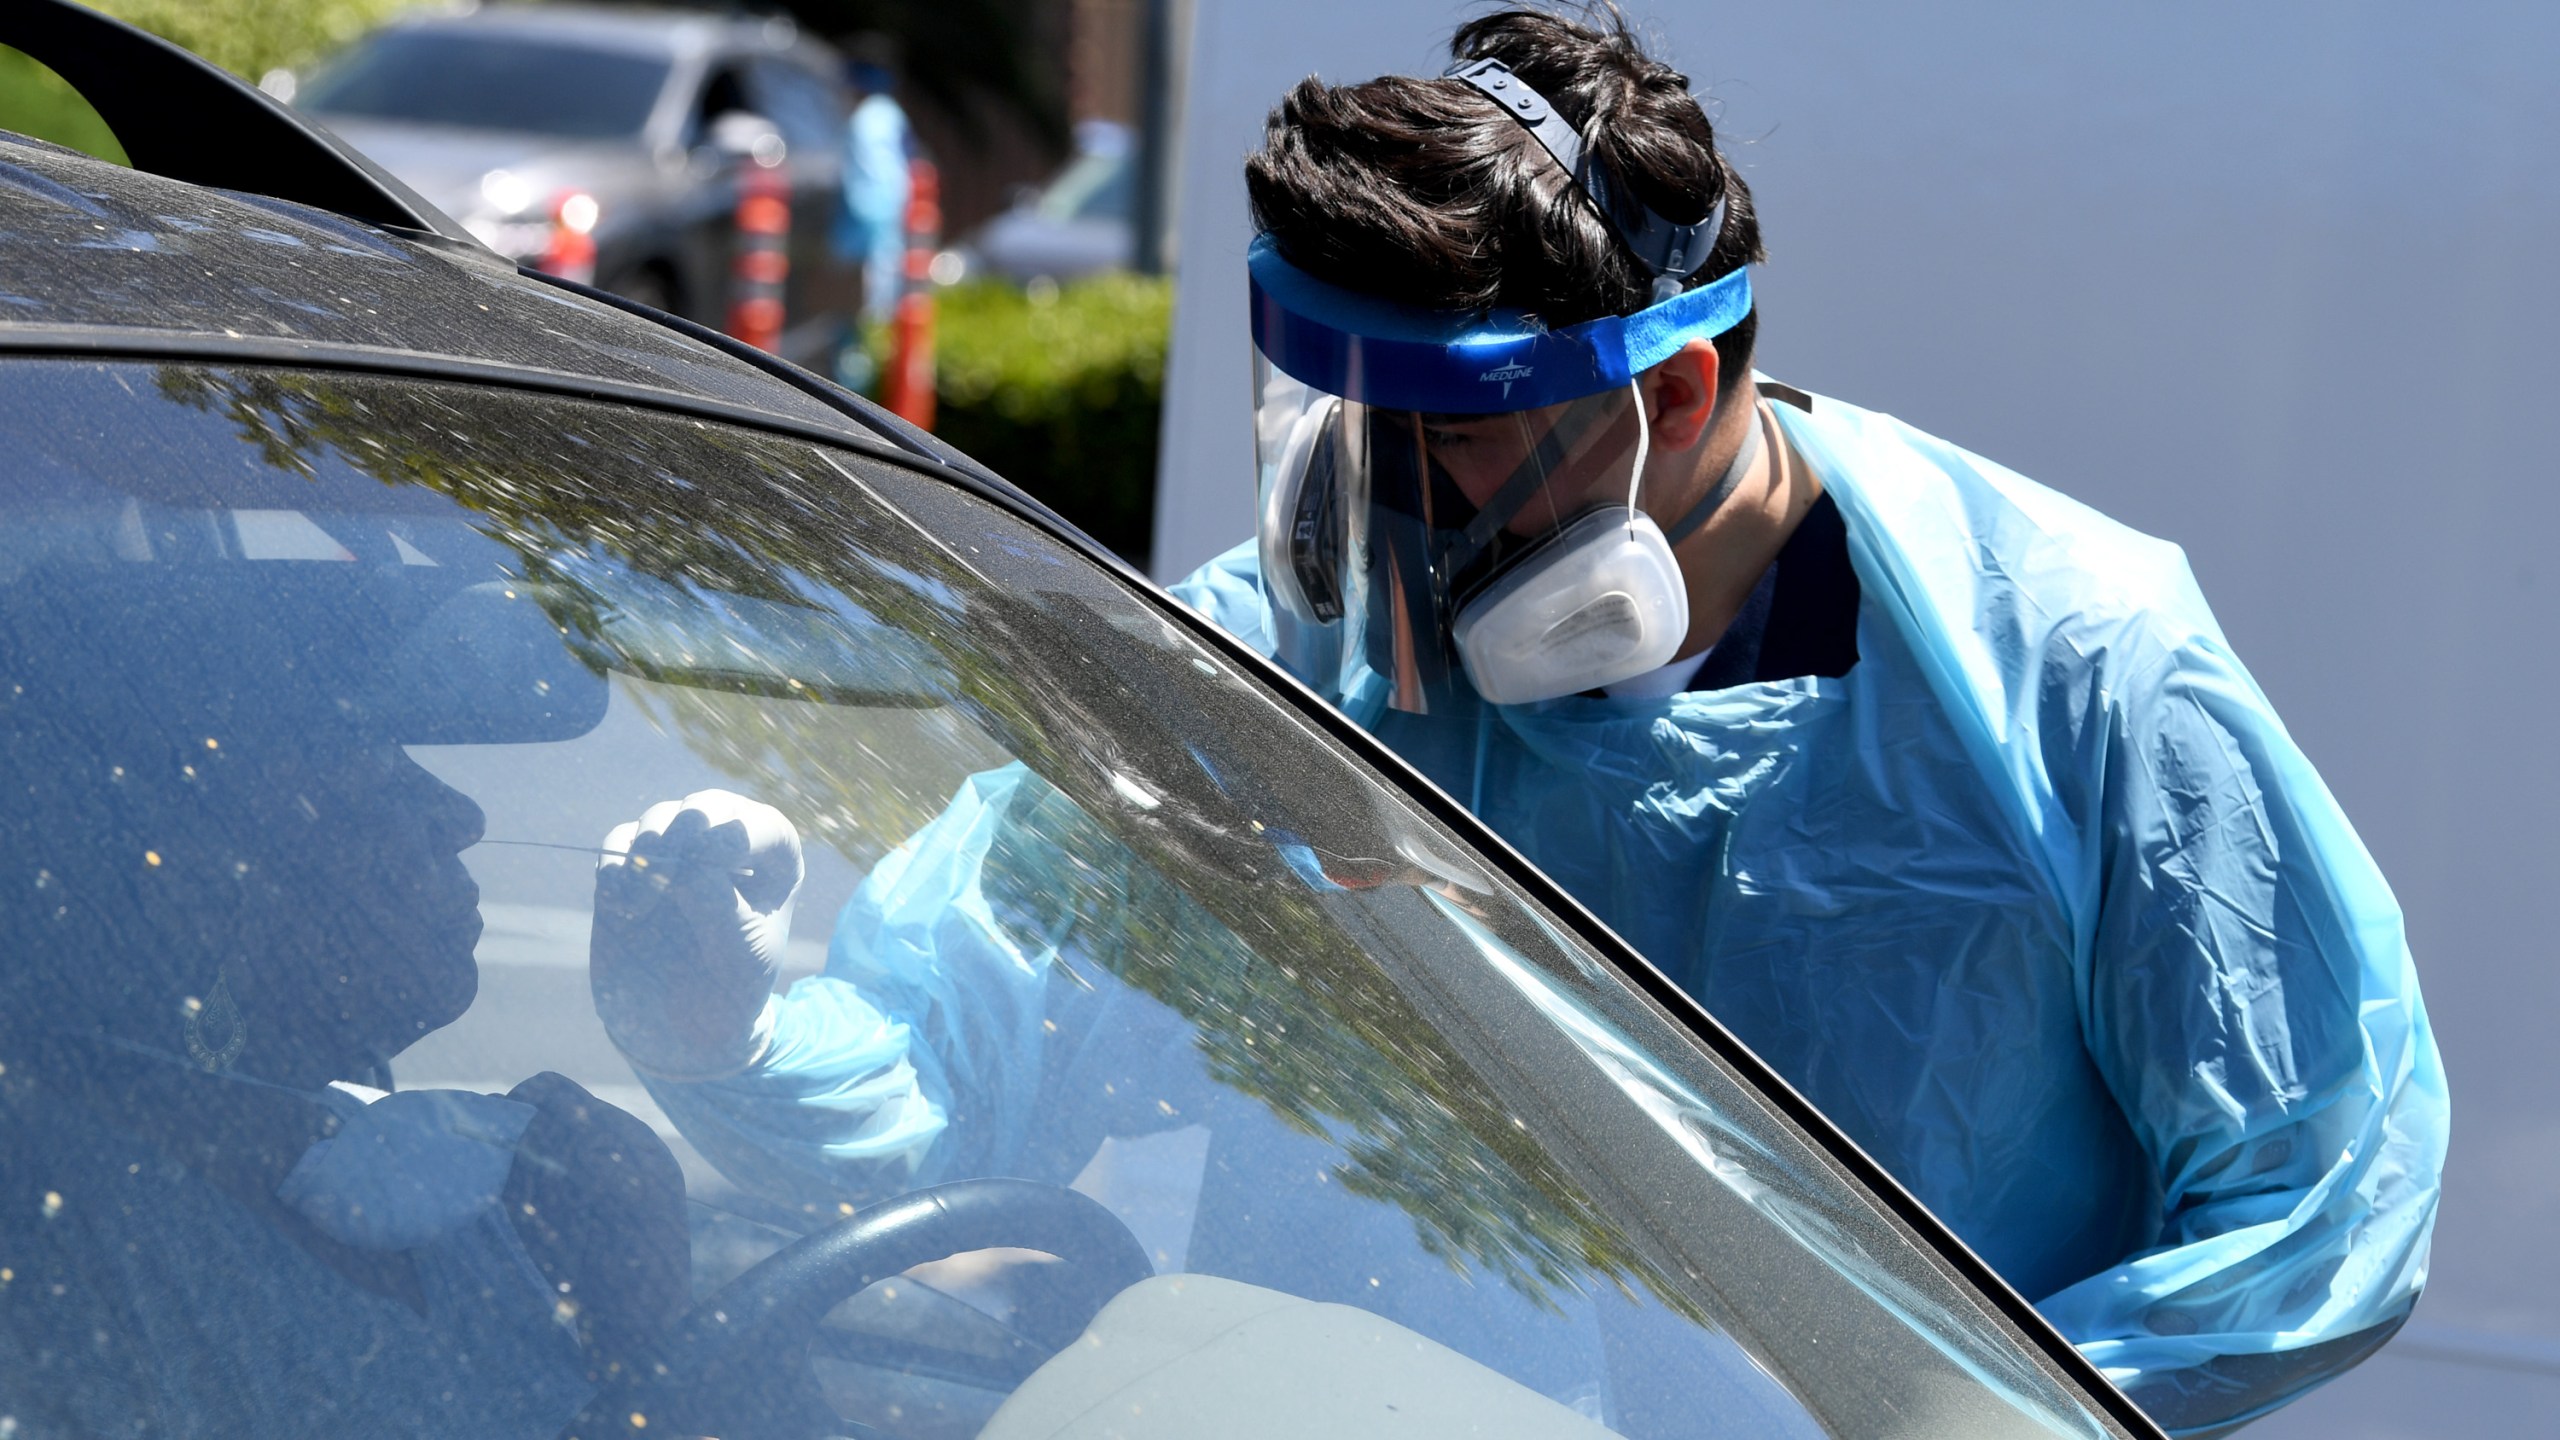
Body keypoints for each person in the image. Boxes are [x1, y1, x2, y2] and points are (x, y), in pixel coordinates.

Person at [1159, 10, 2445, 1436]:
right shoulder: (1294, 651)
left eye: (1449, 434)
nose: (1380, 502)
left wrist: (1972, 1422)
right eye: (1348, 419)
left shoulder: (2074, 674)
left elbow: (2322, 1200)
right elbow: (1001, 925)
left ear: (1673, 391)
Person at [831, 38, 914, 394]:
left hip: (865, 243)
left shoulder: (866, 122)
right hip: (887, 239)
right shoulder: (892, 116)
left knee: (856, 339)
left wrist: (853, 247)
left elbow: (870, 194)